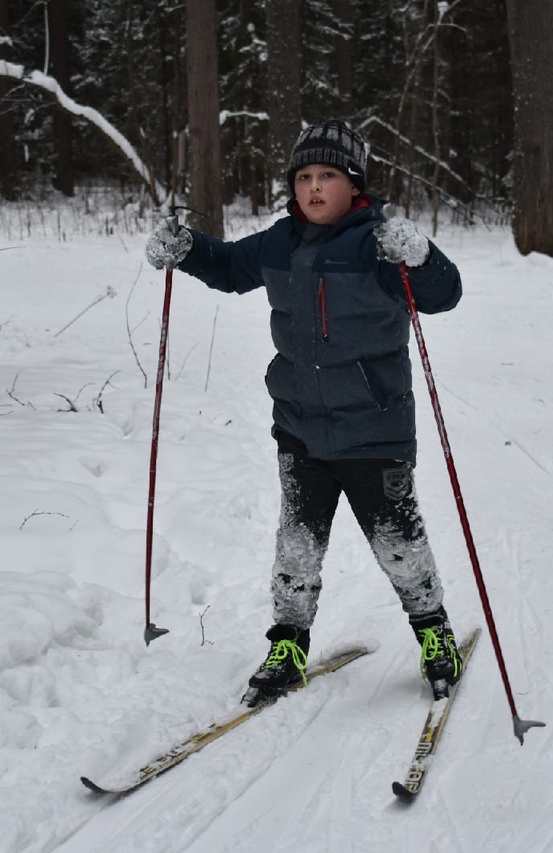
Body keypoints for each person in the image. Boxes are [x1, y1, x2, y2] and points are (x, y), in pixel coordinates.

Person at [144, 119, 464, 706]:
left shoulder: (379, 241)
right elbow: (228, 267)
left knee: (399, 544)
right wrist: (188, 248)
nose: (314, 188)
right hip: (300, 430)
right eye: (304, 177)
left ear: (354, 184)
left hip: (374, 431)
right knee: (297, 547)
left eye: (328, 176)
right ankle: (288, 643)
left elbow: (443, 294)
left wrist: (420, 257)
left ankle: (433, 630)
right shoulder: (280, 242)